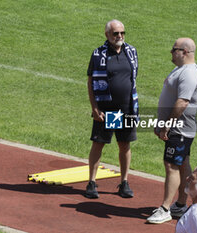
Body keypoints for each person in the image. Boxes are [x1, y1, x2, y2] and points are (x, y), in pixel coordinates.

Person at [146, 37, 197, 224]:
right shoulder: (181, 70)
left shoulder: (188, 74)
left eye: (174, 49)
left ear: (184, 52)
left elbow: (182, 102)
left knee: (171, 166)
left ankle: (165, 208)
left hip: (179, 129)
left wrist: (167, 125)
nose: (171, 52)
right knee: (183, 163)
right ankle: (180, 204)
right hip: (179, 128)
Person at [85, 19, 139, 199]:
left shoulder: (131, 52)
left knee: (125, 145)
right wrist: (94, 108)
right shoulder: (98, 54)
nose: (120, 36)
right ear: (107, 34)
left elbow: (133, 78)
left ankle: (124, 182)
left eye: (122, 33)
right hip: (108, 110)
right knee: (99, 143)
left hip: (127, 109)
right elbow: (91, 82)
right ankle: (92, 182)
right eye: (116, 33)